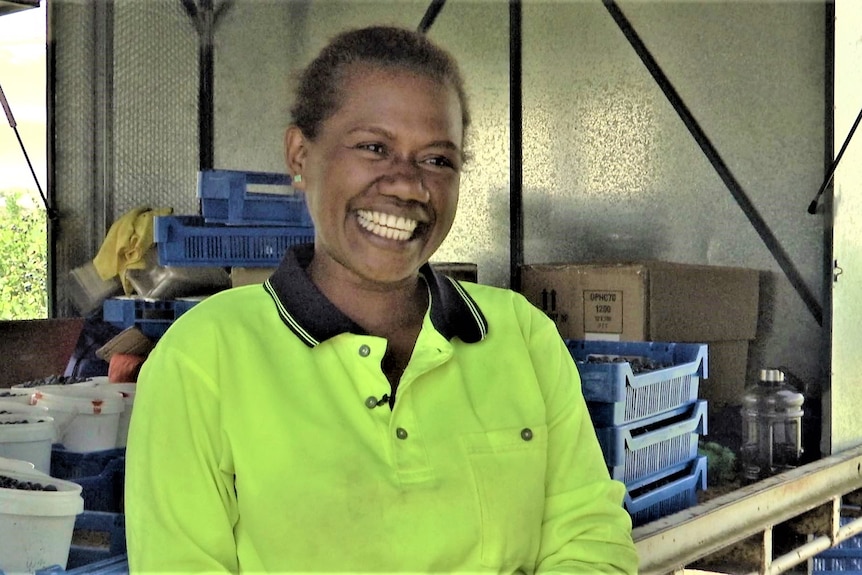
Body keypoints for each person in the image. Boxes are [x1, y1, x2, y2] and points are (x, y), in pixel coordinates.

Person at [124, 25, 638, 573]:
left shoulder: (522, 337)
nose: (407, 185)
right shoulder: (203, 358)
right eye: (373, 148)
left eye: (437, 160)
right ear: (300, 154)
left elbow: (589, 540)